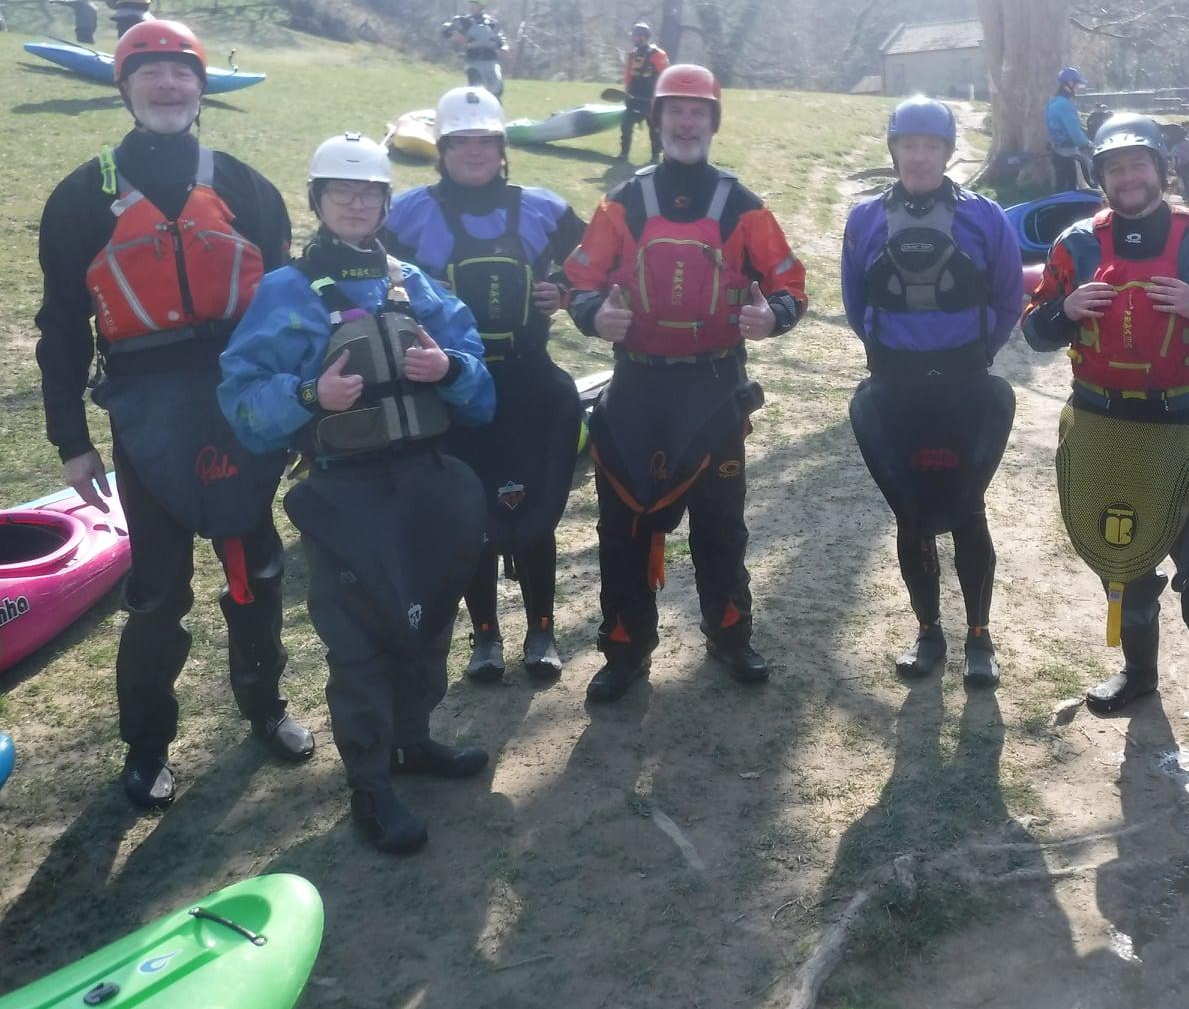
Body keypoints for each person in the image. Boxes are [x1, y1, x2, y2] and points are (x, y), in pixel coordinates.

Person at [34, 19, 312, 811]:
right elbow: (59, 327)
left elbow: (289, 311)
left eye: (181, 74)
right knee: (158, 591)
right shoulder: (82, 196)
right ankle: (148, 745)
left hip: (240, 399)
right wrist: (71, 442)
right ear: (123, 88)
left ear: (201, 89)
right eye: (149, 73)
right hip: (146, 407)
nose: (167, 86)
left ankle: (266, 708)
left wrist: (294, 410)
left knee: (255, 572)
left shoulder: (245, 184)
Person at [219, 134, 496, 855]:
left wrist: (451, 369)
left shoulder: (417, 285)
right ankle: (371, 783)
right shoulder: (285, 292)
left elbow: (481, 391)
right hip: (347, 495)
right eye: (339, 191)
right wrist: (312, 393)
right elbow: (243, 403)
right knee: (362, 642)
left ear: (384, 203)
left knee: (430, 621)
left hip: (425, 484)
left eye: (367, 191)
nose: (354, 202)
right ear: (316, 201)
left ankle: (414, 741)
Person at [1021, 114, 1189, 739]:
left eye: (1139, 164)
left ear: (1162, 169)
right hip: (1100, 424)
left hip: (1182, 424)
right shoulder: (1076, 244)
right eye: (1115, 167)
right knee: (1122, 554)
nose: (1128, 177)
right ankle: (1139, 675)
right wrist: (1063, 311)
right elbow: (1033, 331)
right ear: (1101, 176)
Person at [565, 64, 807, 702]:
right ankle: (624, 647)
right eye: (675, 110)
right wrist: (594, 314)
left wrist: (772, 315)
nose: (687, 122)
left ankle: (729, 634)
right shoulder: (624, 201)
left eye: (699, 112)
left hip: (715, 384)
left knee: (720, 521)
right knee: (624, 523)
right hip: (637, 386)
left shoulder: (742, 205)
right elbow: (581, 281)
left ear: (713, 122)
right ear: (658, 120)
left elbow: (790, 284)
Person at [384, 86, 589, 683]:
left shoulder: (544, 208)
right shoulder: (408, 211)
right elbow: (375, 284)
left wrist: (566, 292)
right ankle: (485, 636)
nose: (473, 152)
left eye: (485, 141)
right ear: (442, 149)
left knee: (535, 510)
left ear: (501, 147)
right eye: (460, 142)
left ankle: (542, 631)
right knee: (469, 514)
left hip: (526, 374)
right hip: (452, 383)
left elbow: (599, 268)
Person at [841, 97, 1024, 686]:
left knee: (968, 510)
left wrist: (974, 355)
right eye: (909, 145)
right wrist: (892, 352)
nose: (919, 157)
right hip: (894, 384)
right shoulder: (866, 219)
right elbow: (855, 299)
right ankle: (927, 631)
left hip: (965, 384)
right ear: (893, 149)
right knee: (911, 515)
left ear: (948, 152)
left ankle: (978, 636)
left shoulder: (985, 217)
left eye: (932, 146)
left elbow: (1006, 298)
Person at [441, 0, 508, 101]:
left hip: (491, 60)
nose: (471, 7)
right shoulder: (463, 21)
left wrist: (504, 46)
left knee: (497, 88)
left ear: (482, 6)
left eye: (474, 4)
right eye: (470, 4)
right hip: (473, 61)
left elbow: (500, 39)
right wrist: (454, 34)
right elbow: (446, 33)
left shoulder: (492, 23)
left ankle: (495, 113)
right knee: (477, 91)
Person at [619, 22, 670, 164]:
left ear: (644, 37)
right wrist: (627, 90)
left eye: (638, 36)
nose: (635, 39)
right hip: (634, 96)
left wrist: (658, 96)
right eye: (634, 36)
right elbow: (628, 76)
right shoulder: (632, 55)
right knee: (626, 125)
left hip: (651, 98)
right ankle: (624, 154)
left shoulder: (658, 55)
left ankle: (655, 157)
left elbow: (665, 76)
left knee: (654, 129)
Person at [1045, 66, 1093, 192]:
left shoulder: (1053, 102)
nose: (1078, 87)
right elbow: (1076, 135)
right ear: (1069, 83)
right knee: (1074, 190)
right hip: (1069, 155)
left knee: (1061, 189)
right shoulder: (1064, 105)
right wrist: (1089, 143)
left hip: (1057, 152)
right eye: (1077, 83)